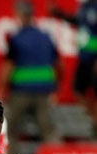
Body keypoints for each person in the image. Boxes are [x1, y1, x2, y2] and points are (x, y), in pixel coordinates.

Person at [0, 1, 62, 154]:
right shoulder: (46, 37)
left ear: (19, 15)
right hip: (44, 91)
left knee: (12, 130)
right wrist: (55, 87)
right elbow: (59, 64)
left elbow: (8, 66)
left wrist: (0, 89)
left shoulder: (17, 38)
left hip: (20, 91)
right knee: (48, 130)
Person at [50, 0, 97, 136]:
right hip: (84, 58)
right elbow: (78, 21)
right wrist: (60, 14)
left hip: (94, 59)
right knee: (78, 91)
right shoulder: (84, 7)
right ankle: (94, 120)